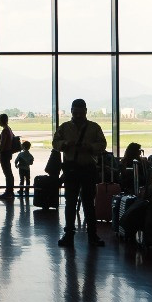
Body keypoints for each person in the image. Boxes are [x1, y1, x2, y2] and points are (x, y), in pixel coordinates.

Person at [51, 98, 106, 247]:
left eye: (80, 112)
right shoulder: (66, 127)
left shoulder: (93, 127)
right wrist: (64, 144)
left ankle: (89, 234)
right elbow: (55, 143)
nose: (78, 115)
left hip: (85, 168)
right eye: (76, 112)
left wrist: (90, 147)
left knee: (87, 203)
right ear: (71, 111)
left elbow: (102, 145)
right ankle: (74, 234)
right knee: (71, 203)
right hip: (73, 168)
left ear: (86, 111)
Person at [0, 113, 19, 201]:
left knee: (7, 173)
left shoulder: (5, 131)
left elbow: (2, 145)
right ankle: (10, 191)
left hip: (4, 154)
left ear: (1, 120)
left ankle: (8, 192)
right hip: (8, 153)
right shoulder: (9, 129)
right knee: (9, 173)